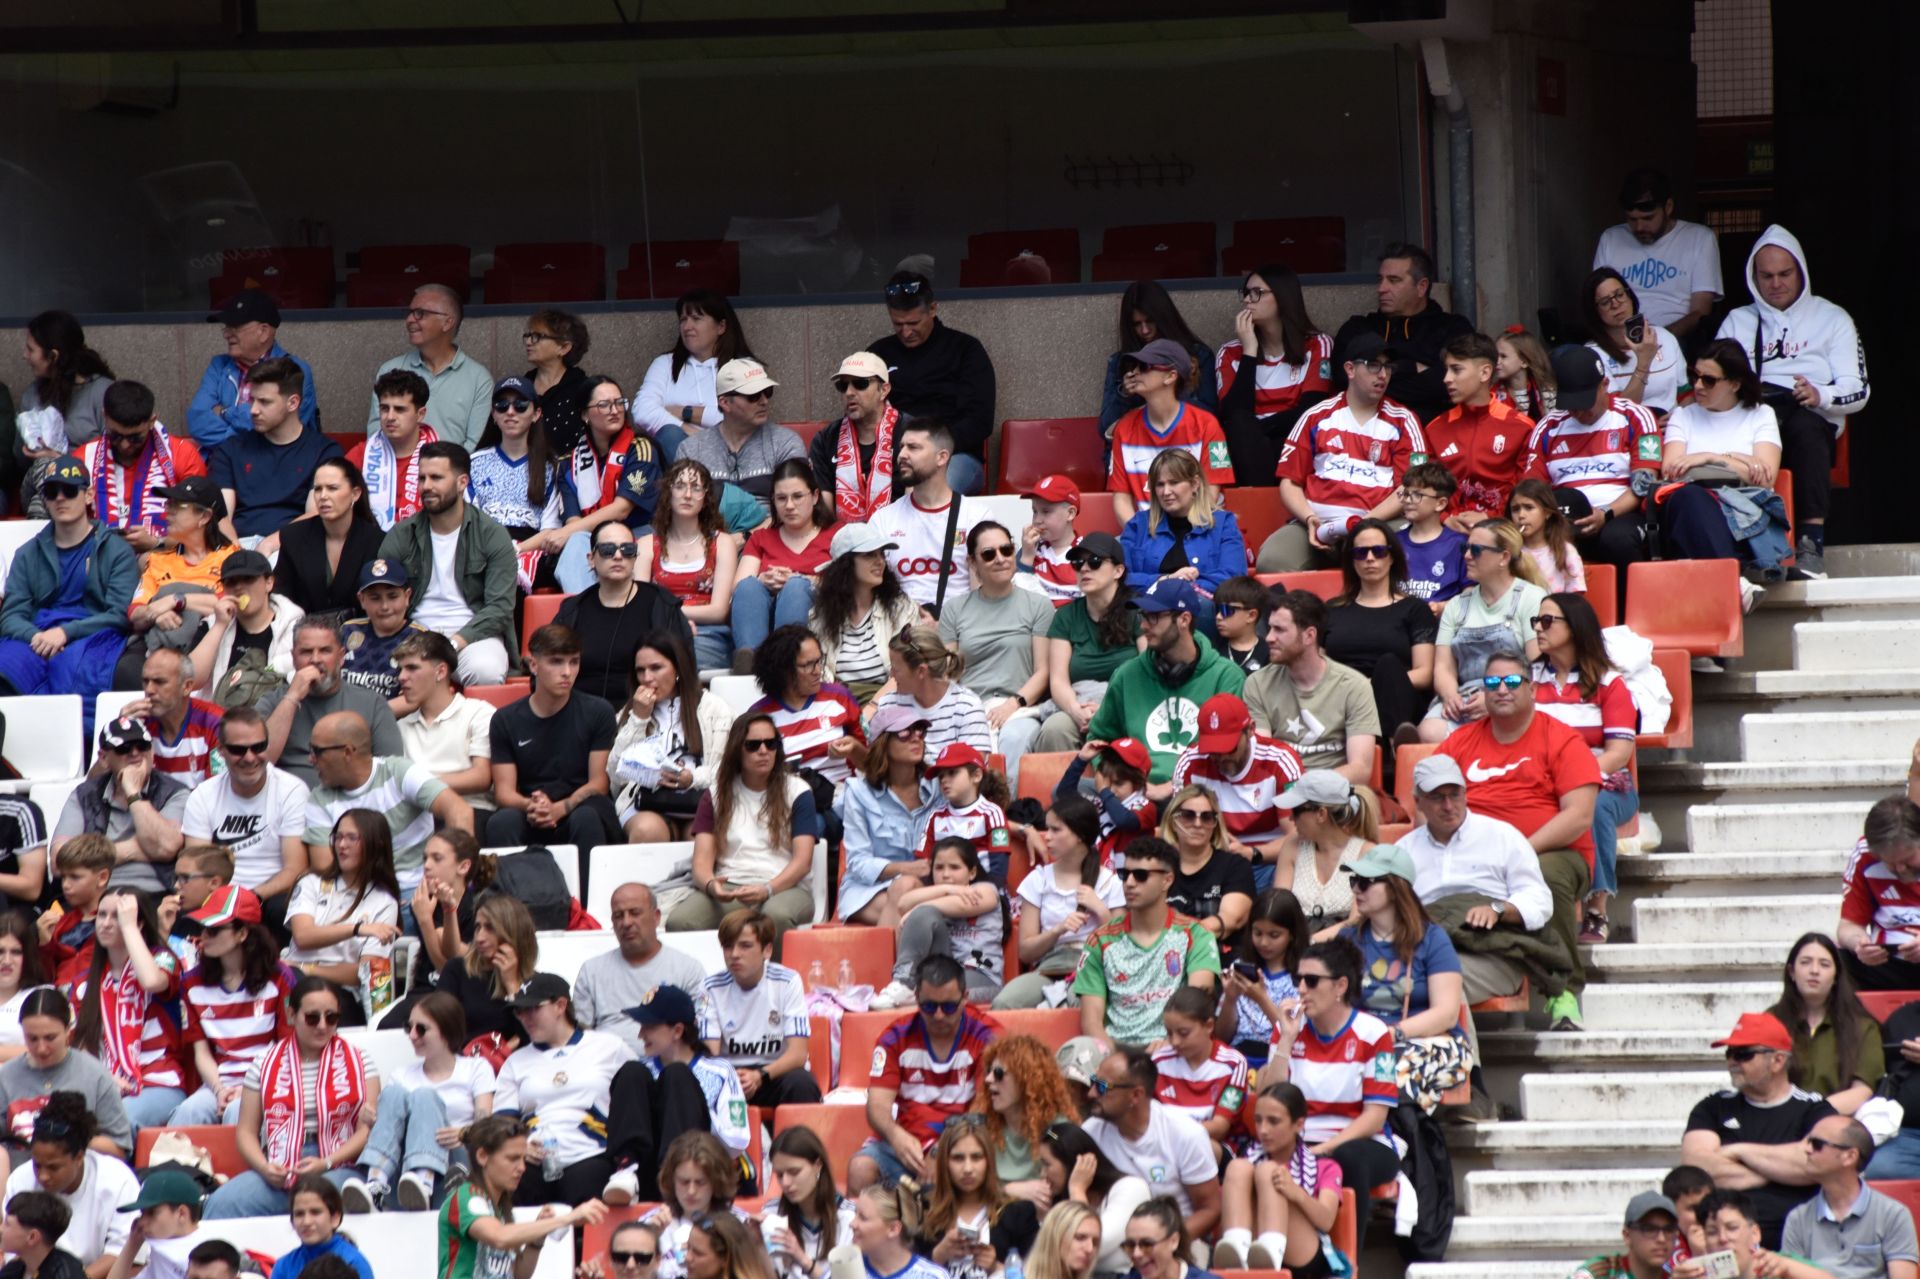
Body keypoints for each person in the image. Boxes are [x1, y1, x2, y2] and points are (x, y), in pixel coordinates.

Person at [1437, 648, 1601, 1028]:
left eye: (1512, 681)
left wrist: (1519, 852)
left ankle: (1563, 991)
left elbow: (1579, 815)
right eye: (1492, 682)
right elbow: (1429, 797)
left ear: (1531, 688)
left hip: (1549, 850)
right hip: (1472, 855)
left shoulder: (1561, 739)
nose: (1502, 690)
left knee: (1546, 874)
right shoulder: (1461, 742)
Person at [1715, 226, 1869, 578]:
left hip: (1809, 415)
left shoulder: (1833, 318)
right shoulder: (1738, 321)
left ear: (1801, 270)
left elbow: (1858, 389)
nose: (1776, 283)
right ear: (1753, 278)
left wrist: (1820, 394)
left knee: (1805, 427)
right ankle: (1739, 549)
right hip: (1751, 415)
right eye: (1765, 276)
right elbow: (1714, 377)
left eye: (1785, 274)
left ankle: (1810, 544)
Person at [203, 977, 378, 1218]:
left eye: (332, 1017)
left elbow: (366, 1132)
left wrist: (326, 1162)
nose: (322, 1026)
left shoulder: (361, 1061)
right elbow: (245, 1132)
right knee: (221, 1205)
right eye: (312, 1017)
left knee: (336, 1198)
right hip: (282, 1163)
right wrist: (265, 1169)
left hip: (341, 1163)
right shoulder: (264, 1062)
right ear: (291, 1015)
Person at [1259, 333, 1425, 573]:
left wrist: (1366, 524)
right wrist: (1308, 518)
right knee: (1273, 561)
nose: (1383, 374)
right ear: (1350, 369)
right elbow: (1289, 482)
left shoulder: (1403, 420)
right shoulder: (1317, 415)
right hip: (1318, 524)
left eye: (1388, 367)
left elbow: (1410, 488)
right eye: (1373, 365)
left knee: (1412, 556)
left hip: (1380, 523)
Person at [1401, 754, 1556, 1009]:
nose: (1449, 805)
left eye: (1455, 794)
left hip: (1493, 953)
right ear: (1418, 803)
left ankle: (1456, 1050)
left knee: (1441, 980)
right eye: (1437, 797)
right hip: (1426, 949)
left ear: (1466, 794)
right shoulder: (1404, 851)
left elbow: (1539, 900)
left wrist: (1498, 909)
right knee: (1401, 979)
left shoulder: (1502, 836)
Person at [1260, 938, 1400, 1208]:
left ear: (1340, 986)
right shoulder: (1288, 1028)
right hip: (1298, 1139)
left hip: (1361, 1141)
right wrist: (1286, 1041)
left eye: (1311, 981)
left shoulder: (1373, 1033)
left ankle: (1350, 1251)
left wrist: (1323, 1149)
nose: (1301, 989)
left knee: (1348, 1158)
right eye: (1298, 979)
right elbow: (1270, 1097)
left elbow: (1374, 1117)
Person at [1530, 593, 1637, 941]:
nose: (1537, 628)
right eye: (1536, 621)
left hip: (1605, 783)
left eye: (1547, 621)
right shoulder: (1529, 680)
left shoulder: (1610, 683)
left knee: (1594, 807)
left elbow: (1619, 752)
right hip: (1543, 780)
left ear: (1574, 629)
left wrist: (1579, 781)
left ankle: (1596, 909)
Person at [1681, 1011, 1835, 1248]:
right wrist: (1782, 1172)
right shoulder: (1712, 1107)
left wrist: (1739, 1151)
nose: (1733, 1062)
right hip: (1727, 1241)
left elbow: (1819, 1163)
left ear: (1777, 1061)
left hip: (1803, 1239)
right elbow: (1698, 1169)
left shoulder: (1813, 1108)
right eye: (1729, 1053)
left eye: (1744, 1054)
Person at [0, 456, 135, 723]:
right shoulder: (27, 553)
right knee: (5, 665)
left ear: (88, 495)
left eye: (70, 490)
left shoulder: (117, 551)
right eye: (52, 492)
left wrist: (64, 633)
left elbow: (119, 615)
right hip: (35, 638)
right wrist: (38, 637)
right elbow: (11, 615)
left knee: (77, 672)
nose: (60, 498)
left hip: (93, 636)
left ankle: (82, 754)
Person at [849, 954, 998, 1191]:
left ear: (965, 999)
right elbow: (877, 1106)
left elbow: (983, 1109)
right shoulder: (895, 1036)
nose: (939, 1015)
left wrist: (944, 1149)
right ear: (916, 998)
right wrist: (895, 1136)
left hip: (964, 1144)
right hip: (907, 1145)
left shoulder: (988, 1036)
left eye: (948, 1006)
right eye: (929, 1006)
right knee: (860, 1169)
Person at [1335, 844, 1469, 1104]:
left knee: (1387, 1074)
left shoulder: (1432, 939)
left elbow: (1447, 1013)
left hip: (1425, 1044)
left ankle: (1394, 1139)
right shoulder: (1348, 939)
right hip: (1365, 1047)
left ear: (1396, 889)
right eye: (1354, 881)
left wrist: (1391, 1034)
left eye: (1365, 882)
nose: (1356, 890)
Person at [302, 709, 474, 910]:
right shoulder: (319, 799)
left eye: (318, 751)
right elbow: (325, 866)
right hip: (358, 897)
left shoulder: (399, 773)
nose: (310, 759)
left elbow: (459, 811)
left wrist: (453, 878)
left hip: (419, 889)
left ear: (348, 752)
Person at [489, 972, 635, 1208]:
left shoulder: (609, 1046)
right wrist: (521, 1146)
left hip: (592, 1152)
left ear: (560, 1006)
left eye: (533, 1008)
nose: (525, 1017)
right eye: (519, 1011)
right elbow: (503, 1123)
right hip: (534, 1159)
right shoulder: (515, 1062)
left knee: (588, 1185)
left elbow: (636, 1098)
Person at [376, 442, 516, 687]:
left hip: (473, 634)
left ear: (462, 482)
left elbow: (500, 607)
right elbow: (381, 593)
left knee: (486, 670)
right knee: (382, 669)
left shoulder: (492, 534)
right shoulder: (401, 534)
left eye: (436, 478)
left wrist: (453, 643)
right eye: (422, 478)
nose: (426, 486)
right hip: (415, 631)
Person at [666, 715, 817, 938]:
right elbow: (701, 862)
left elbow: (802, 863)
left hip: (785, 888)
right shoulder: (715, 795)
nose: (764, 750)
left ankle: (776, 974)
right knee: (680, 922)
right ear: (738, 749)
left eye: (771, 743)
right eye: (753, 745)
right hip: (732, 887)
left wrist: (767, 889)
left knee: (776, 916)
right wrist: (711, 886)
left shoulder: (798, 791)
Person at [1518, 345, 1659, 584]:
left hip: (1620, 514)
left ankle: (1628, 613)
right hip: (1564, 518)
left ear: (1604, 385)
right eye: (1572, 405)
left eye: (1585, 403)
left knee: (1617, 539)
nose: (1579, 413)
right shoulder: (1548, 427)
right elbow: (1532, 490)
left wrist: (1606, 513)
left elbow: (1643, 485)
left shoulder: (1635, 416)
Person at [349, 991, 495, 1211]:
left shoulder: (475, 1068)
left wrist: (462, 1133)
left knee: (424, 1096)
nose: (412, 1036)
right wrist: (369, 1118)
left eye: (421, 1029)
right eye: (409, 1028)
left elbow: (486, 1123)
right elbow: (389, 1129)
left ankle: (423, 1183)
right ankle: (376, 1184)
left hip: (456, 1157)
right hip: (403, 1166)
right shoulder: (401, 1075)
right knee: (393, 1094)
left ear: (447, 1031)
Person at [1086, 579, 1244, 783]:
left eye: (1153, 617)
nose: (1142, 626)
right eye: (1142, 616)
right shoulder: (1127, 675)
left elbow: (1232, 752)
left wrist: (1174, 787)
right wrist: (1118, 782)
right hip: (1137, 791)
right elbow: (1099, 739)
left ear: (1184, 619)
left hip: (1200, 792)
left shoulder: (1226, 677)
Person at [484, 623, 621, 851]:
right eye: (556, 661)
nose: (567, 672)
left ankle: (589, 887)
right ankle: (509, 887)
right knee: (502, 822)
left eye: (574, 662)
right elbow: (504, 792)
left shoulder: (598, 711)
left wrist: (562, 807)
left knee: (587, 816)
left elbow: (599, 782)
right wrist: (532, 805)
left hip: (580, 806)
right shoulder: (505, 719)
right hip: (533, 810)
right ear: (534, 665)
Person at [1073, 837, 1220, 1046]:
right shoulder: (1100, 940)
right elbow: (1091, 1024)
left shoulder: (1195, 935)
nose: (1130, 883)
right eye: (1125, 875)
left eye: (1141, 875)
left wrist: (1169, 1047)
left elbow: (1196, 1006)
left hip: (1174, 1049)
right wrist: (1117, 1062)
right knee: (1078, 1057)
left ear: (1167, 881)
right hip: (1116, 1053)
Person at [170, 885, 296, 1126]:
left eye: (214, 930)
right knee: (186, 1114)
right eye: (203, 928)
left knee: (237, 1113)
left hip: (267, 1081)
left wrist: (248, 1088)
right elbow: (201, 1052)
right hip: (218, 1082)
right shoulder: (192, 983)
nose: (204, 936)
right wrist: (219, 1089)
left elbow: (287, 1048)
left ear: (242, 934)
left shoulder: (280, 978)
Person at [1657, 340, 1788, 572]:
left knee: (1694, 500)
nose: (1698, 386)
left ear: (1735, 384)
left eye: (1709, 380)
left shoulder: (1760, 415)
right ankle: (1734, 579)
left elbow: (1765, 478)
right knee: (1689, 498)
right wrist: (1741, 462)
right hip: (1690, 514)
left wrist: (1710, 458)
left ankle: (1730, 577)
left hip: (1743, 515)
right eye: (1694, 376)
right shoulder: (1683, 416)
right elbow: (1672, 471)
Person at [1416, 519, 1546, 742]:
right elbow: (1443, 668)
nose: (1466, 556)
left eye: (1475, 550)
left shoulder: (1531, 597)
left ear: (1504, 557)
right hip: (1464, 699)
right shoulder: (1456, 605)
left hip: (1514, 693)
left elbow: (1537, 665)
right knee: (1428, 731)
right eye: (1464, 548)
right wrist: (1450, 696)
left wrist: (1493, 698)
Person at [938, 522, 1054, 769]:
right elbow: (948, 674)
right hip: (969, 707)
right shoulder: (954, 609)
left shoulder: (1039, 605)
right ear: (972, 563)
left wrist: (1011, 705)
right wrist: (969, 712)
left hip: (1020, 707)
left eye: (1007, 550)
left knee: (1015, 738)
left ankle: (1007, 808)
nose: (1000, 559)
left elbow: (1043, 672)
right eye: (989, 554)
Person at [436, 1114, 609, 1279]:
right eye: (513, 1159)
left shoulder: (501, 1208)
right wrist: (569, 1218)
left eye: (523, 1159)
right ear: (482, 1156)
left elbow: (518, 1274)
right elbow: (499, 1237)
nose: (522, 1168)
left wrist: (537, 1238)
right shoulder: (468, 1197)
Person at [868, 273, 995, 496]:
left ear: (933, 309)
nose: (906, 332)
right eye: (898, 324)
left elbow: (979, 421)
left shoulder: (965, 350)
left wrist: (930, 449)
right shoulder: (879, 354)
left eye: (913, 323)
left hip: (953, 455)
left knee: (928, 491)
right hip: (892, 453)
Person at [541, 374, 666, 597]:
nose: (615, 410)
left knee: (575, 537)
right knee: (576, 540)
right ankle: (588, 611)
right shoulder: (569, 463)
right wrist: (569, 532)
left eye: (619, 403)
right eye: (604, 405)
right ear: (585, 415)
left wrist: (566, 533)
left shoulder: (641, 448)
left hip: (637, 533)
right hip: (593, 540)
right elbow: (574, 521)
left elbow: (622, 508)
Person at [180, 707, 309, 920]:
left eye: (258, 747)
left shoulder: (292, 790)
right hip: (216, 897)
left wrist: (249, 898)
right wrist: (226, 901)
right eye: (238, 750)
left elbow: (296, 869)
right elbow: (198, 868)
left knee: (280, 909)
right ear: (220, 750)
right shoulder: (203, 795)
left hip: (270, 898)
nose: (250, 757)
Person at [996, 795, 1122, 1010]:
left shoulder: (1109, 881)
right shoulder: (1038, 880)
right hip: (1048, 967)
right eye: (1048, 829)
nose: (1047, 837)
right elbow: (1025, 951)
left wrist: (1100, 910)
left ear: (1079, 835)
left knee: (1078, 1001)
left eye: (1056, 830)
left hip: (1092, 966)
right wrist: (1058, 930)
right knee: (1005, 1002)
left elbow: (1123, 946)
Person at [1081, 1049, 1220, 1242]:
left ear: (1136, 1095)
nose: (1091, 1093)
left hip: (1177, 1242)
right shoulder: (1090, 1132)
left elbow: (1210, 1209)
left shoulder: (1185, 1133)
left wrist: (1162, 1244)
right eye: (1092, 1082)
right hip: (1114, 1241)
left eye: (1102, 1087)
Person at [1321, 519, 1437, 748]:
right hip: (1343, 697)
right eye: (1360, 552)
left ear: (1392, 557)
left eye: (1379, 551)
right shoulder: (1331, 610)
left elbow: (1424, 674)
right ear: (1351, 560)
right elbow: (1319, 665)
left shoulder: (1414, 609)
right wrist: (1356, 687)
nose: (1370, 559)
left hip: (1400, 697)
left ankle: (1396, 749)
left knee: (1388, 665)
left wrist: (1373, 684)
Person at [1244, 590, 1379, 785]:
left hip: (1334, 793)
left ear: (1309, 636)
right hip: (1279, 792)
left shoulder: (1354, 686)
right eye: (1270, 628)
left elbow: (1360, 770)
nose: (1269, 638)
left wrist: (1306, 786)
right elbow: (1261, 759)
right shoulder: (1257, 684)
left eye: (1279, 630)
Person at [554, 518, 693, 706]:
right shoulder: (572, 610)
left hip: (646, 713)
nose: (618, 556)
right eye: (607, 550)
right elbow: (549, 667)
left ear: (635, 557)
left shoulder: (661, 603)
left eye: (627, 550)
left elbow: (685, 668)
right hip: (581, 718)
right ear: (591, 559)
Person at [1330, 244, 1473, 424]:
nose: (1381, 288)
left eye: (1393, 280)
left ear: (1421, 287)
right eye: (1380, 279)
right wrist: (1411, 367)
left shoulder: (1453, 328)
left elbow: (1453, 384)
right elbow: (1343, 380)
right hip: (1361, 435)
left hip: (1432, 434)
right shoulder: (1358, 328)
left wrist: (1372, 380)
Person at [210, 359, 343, 553]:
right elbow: (221, 515)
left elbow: (316, 513)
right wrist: (237, 555)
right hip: (237, 545)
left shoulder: (324, 451)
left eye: (264, 402)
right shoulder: (230, 450)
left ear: (293, 403)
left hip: (294, 545)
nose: (253, 410)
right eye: (252, 400)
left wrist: (270, 544)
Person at [113, 479, 233, 692]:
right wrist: (155, 614)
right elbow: (135, 612)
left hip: (213, 646)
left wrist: (175, 601)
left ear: (204, 517)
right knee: (127, 669)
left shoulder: (231, 558)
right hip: (159, 646)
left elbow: (231, 604)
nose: (167, 513)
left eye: (178, 506)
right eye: (169, 505)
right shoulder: (158, 560)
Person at [694, 910, 821, 1110]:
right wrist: (732, 1079)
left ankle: (798, 1142)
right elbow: (710, 1055)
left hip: (774, 1072)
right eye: (728, 946)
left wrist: (760, 1075)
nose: (734, 954)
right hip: (729, 1073)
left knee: (802, 1083)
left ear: (767, 950)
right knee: (696, 1085)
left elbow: (798, 1054)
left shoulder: (787, 981)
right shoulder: (710, 987)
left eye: (745, 946)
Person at [259, 617, 405, 790]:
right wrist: (292, 697)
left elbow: (391, 772)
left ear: (341, 657)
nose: (315, 659)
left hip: (352, 806)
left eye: (325, 651)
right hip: (286, 805)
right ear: (293, 657)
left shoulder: (372, 703)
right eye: (306, 652)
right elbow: (259, 761)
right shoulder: (273, 701)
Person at [610, 634, 731, 843]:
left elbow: (728, 768)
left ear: (677, 668)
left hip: (699, 798)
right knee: (648, 831)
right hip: (646, 802)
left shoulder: (714, 708)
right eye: (640, 670)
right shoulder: (628, 714)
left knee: (701, 837)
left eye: (656, 668)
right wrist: (638, 719)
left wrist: (692, 778)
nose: (647, 678)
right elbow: (615, 776)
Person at [2, 1093, 138, 1278]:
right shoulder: (20, 1179)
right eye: (37, 1165)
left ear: (79, 1157)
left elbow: (121, 1253)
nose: (43, 1175)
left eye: (53, 1167)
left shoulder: (118, 1180)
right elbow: (14, 1252)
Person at [1214, 1081, 1341, 1278]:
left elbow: (1326, 1221)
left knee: (1268, 1172)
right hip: (1250, 1251)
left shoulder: (1325, 1166)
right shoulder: (1245, 1161)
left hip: (1303, 1258)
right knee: (1238, 1167)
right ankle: (1237, 1251)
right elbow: (1220, 1210)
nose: (1263, 1130)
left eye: (1273, 1121)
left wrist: (1296, 1193)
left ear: (1298, 1124)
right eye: (1258, 1120)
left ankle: (1270, 1254)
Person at [282, 808, 403, 1015]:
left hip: (341, 992)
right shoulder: (311, 882)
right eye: (337, 837)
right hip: (294, 979)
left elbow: (364, 973)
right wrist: (358, 929)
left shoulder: (384, 902)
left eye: (352, 838)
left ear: (376, 843)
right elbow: (303, 936)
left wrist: (307, 968)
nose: (342, 845)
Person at [0, 990, 132, 1176]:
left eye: (50, 1038)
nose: (41, 1048)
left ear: (68, 1030)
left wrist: (71, 1138)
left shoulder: (94, 1074)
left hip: (80, 1175)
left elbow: (119, 1148)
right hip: (20, 1176)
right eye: (32, 1038)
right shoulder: (6, 1076)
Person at [1028, 534, 1138, 755]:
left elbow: (1149, 673)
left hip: (1128, 702)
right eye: (1078, 563)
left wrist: (1109, 709)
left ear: (1118, 571)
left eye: (1095, 562)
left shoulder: (1137, 611)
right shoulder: (1067, 615)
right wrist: (1075, 710)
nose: (1085, 569)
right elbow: (1058, 679)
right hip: (1079, 703)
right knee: (1054, 729)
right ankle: (1065, 789)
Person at [51, 717, 187, 895]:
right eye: (124, 748)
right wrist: (138, 848)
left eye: (142, 746)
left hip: (155, 896)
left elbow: (165, 847)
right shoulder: (84, 795)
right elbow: (59, 862)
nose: (135, 753)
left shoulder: (174, 792)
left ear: (152, 752)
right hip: (93, 896)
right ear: (104, 758)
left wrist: (133, 793)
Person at [1117, 449, 1246, 637]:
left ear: (1195, 483)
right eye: (1160, 485)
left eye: (1174, 483)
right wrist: (1166, 581)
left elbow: (1233, 576)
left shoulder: (1223, 523)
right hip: (1147, 609)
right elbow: (1120, 576)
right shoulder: (1138, 525)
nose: (1166, 492)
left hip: (1200, 610)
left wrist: (1183, 589)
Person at [1107, 339, 1233, 526]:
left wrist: (1181, 538)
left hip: (1198, 531)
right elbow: (1121, 500)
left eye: (1144, 366)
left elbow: (1210, 494)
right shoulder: (1124, 429)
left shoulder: (1207, 425)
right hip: (1146, 537)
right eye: (1134, 366)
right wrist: (1141, 537)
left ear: (1170, 376)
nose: (1134, 372)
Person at [573, 884, 710, 1055]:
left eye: (635, 913)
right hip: (608, 1071)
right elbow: (580, 1036)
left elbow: (702, 1031)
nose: (626, 922)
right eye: (618, 916)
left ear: (656, 917)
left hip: (669, 1071)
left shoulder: (688, 969)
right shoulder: (591, 971)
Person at [73, 381, 208, 552]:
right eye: (115, 436)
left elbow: (200, 526)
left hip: (165, 558)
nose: (124, 445)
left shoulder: (182, 454)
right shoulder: (84, 459)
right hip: (97, 557)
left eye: (135, 438)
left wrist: (158, 542)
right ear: (104, 416)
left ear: (152, 421)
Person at [874, 836, 1006, 1009]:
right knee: (925, 914)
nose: (945, 874)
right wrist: (946, 889)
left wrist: (918, 908)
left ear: (972, 872)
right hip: (941, 971)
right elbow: (903, 903)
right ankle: (904, 983)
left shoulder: (986, 890)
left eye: (955, 867)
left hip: (981, 978)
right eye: (939, 868)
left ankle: (921, 997)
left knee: (923, 912)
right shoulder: (936, 894)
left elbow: (964, 905)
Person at [837, 705, 939, 925]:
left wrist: (1020, 829)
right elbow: (858, 862)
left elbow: (972, 811)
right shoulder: (858, 792)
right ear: (883, 743)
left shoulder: (938, 785)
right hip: (868, 891)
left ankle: (891, 960)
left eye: (920, 730)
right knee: (906, 893)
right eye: (904, 733)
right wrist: (905, 869)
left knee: (907, 894)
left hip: (925, 886)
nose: (915, 738)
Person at [1592, 168, 1723, 339]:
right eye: (1632, 219)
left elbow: (1700, 312)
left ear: (1668, 207)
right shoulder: (1610, 238)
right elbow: (1598, 303)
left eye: (1648, 218)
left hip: (1677, 338)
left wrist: (1658, 339)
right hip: (1620, 340)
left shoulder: (1699, 238)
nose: (1639, 227)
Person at [732, 460, 838, 668]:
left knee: (796, 586)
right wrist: (763, 580)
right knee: (749, 585)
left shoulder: (835, 534)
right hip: (765, 617)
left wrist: (804, 580)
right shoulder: (761, 537)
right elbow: (738, 586)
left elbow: (850, 585)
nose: (789, 505)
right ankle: (751, 661)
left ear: (815, 496)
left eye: (798, 496)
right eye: (781, 498)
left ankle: (786, 663)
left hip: (818, 618)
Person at [635, 459, 738, 672]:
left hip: (707, 634)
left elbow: (719, 610)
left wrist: (672, 614)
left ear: (706, 497)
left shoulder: (722, 543)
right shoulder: (646, 545)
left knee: (683, 657)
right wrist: (673, 622)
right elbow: (641, 605)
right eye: (680, 486)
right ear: (668, 493)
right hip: (660, 634)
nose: (688, 495)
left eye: (696, 487)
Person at [1786, 1116, 1920, 1278]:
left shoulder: (1893, 1214)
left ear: (1850, 1156)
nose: (1807, 1149)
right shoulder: (1797, 1219)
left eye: (1817, 1144)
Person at [871, 420, 985, 609]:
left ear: (941, 457)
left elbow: (985, 594)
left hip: (959, 629)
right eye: (901, 447)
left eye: (913, 448)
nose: (901, 455)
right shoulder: (883, 519)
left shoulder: (976, 517)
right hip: (900, 629)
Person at [909, 1118, 1041, 1278]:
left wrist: (996, 1266)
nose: (968, 1168)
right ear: (945, 1162)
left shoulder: (1019, 1212)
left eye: (976, 1157)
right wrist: (938, 1255)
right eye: (958, 1158)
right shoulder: (924, 1207)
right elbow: (901, 1270)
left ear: (989, 1161)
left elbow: (1038, 1274)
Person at [1426, 332, 1534, 527]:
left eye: (1456, 370)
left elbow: (1528, 490)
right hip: (1446, 529)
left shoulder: (1520, 427)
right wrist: (1445, 519)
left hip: (1503, 528)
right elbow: (1423, 486)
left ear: (1485, 373)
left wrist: (1491, 518)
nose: (1446, 379)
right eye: (1446, 370)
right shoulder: (1435, 429)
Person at [366, 285, 494, 449]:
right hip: (397, 471)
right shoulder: (390, 370)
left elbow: (476, 443)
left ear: (447, 322)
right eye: (410, 313)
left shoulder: (478, 378)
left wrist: (441, 470)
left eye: (420, 313)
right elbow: (376, 433)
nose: (410, 320)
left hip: (453, 472)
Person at [188, 290, 318, 451]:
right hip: (223, 465)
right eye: (226, 327)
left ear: (263, 332)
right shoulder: (219, 365)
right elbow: (197, 421)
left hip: (275, 467)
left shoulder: (293, 370)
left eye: (235, 326)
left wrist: (225, 412)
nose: (227, 334)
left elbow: (285, 432)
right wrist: (246, 441)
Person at [1767, 934, 1882, 1116]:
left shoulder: (1862, 1026)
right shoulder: (1769, 1021)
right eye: (1805, 962)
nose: (1814, 970)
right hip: (1777, 1119)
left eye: (1824, 964)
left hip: (1837, 1121)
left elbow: (1862, 1091)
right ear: (1791, 972)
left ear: (1836, 976)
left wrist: (1812, 1113)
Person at [635, 290, 756, 461]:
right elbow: (642, 411)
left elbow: (745, 416)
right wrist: (684, 428)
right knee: (670, 434)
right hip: (680, 464)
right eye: (683, 319)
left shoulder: (743, 367)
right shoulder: (664, 364)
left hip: (732, 456)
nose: (687, 326)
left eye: (696, 319)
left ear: (721, 327)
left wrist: (686, 412)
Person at [676, 359, 804, 519]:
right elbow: (680, 512)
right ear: (725, 403)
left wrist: (745, 537)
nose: (764, 401)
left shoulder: (785, 443)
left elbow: (798, 509)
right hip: (708, 538)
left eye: (767, 392)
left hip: (770, 537)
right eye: (753, 395)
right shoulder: (691, 450)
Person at [747, 625, 866, 796]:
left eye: (819, 661)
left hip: (846, 798)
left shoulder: (840, 697)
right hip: (790, 803)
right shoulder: (759, 717)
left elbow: (873, 766)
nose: (818, 671)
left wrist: (855, 749)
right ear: (783, 670)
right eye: (808, 665)